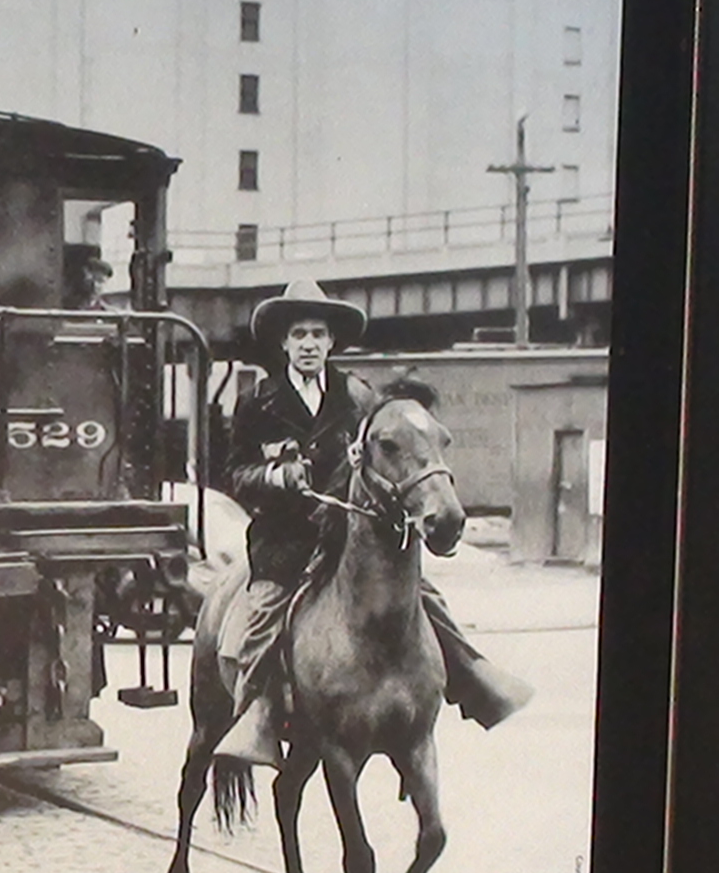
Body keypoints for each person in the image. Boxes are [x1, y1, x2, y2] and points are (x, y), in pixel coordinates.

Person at [212, 278, 534, 766]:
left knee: (425, 598)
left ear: (330, 342)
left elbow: (384, 460)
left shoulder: (358, 396)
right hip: (284, 541)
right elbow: (235, 473)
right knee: (263, 616)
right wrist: (278, 475)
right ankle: (257, 715)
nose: (308, 344)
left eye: (318, 334)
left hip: (349, 536)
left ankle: (471, 677)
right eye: (299, 334)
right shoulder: (258, 401)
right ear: (284, 342)